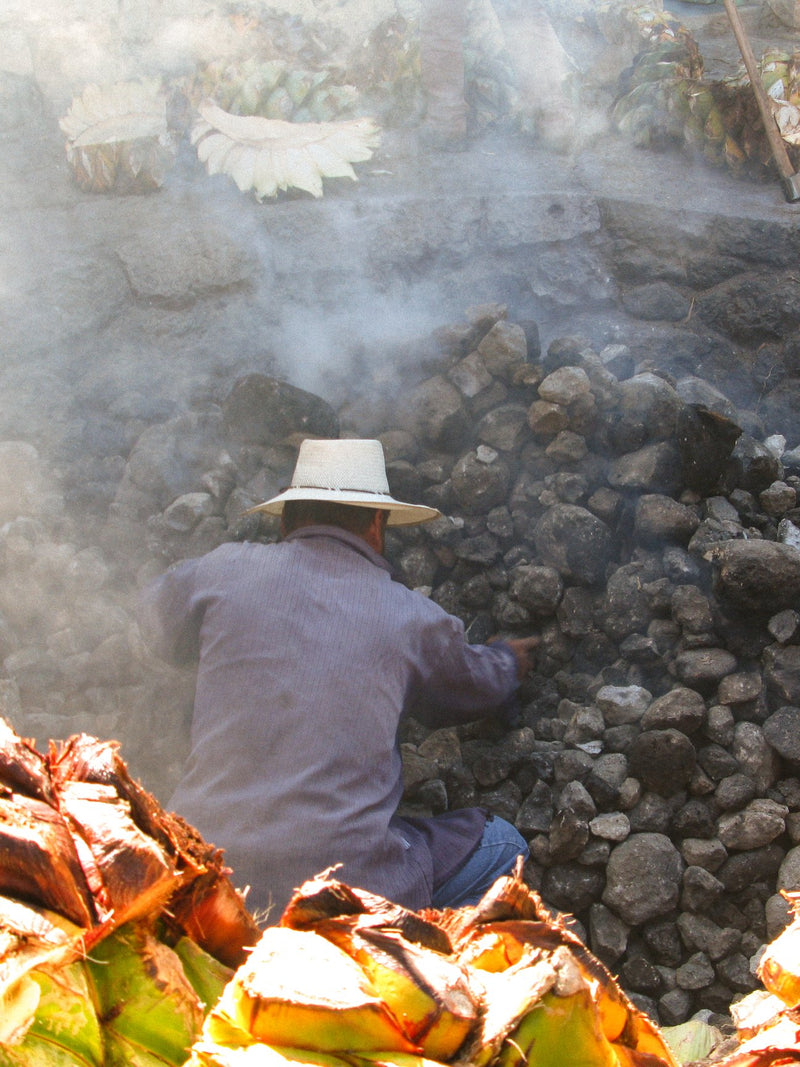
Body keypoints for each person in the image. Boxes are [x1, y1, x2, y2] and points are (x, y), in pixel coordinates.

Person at [138, 437, 539, 921]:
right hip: (346, 903)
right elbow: (472, 688)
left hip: (197, 879)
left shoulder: (222, 569)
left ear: (286, 520)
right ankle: (426, 963)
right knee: (504, 843)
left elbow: (152, 621)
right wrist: (507, 660)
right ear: (377, 524)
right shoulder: (410, 617)